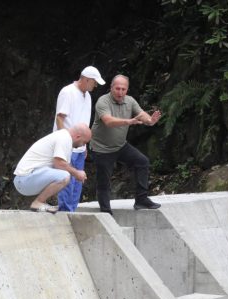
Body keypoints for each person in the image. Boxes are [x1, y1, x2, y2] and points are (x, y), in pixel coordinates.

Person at [90, 74, 162, 214]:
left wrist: (150, 120)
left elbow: (141, 114)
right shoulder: (103, 101)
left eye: (123, 89)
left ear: (127, 90)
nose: (120, 92)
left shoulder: (130, 101)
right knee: (103, 180)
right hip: (101, 148)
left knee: (142, 162)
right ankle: (105, 211)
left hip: (120, 145)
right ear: (111, 88)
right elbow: (108, 121)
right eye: (117, 88)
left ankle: (141, 200)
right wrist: (128, 122)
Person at [53, 66, 105, 212]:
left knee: (77, 182)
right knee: (66, 180)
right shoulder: (67, 91)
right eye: (94, 82)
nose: (95, 86)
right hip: (67, 145)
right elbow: (60, 117)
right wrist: (64, 141)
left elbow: (84, 124)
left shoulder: (87, 96)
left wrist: (85, 146)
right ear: (86, 79)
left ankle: (72, 211)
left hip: (80, 146)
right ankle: (66, 211)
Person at [13, 124, 92, 213]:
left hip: (25, 180)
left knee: (63, 175)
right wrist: (77, 173)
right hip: (24, 180)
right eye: (84, 142)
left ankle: (42, 204)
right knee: (65, 176)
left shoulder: (64, 137)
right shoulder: (64, 138)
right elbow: (59, 164)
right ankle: (38, 203)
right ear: (78, 137)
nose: (83, 146)